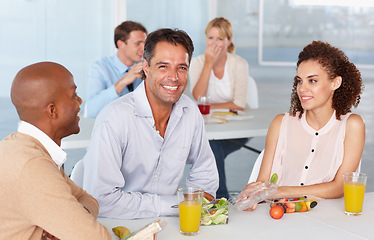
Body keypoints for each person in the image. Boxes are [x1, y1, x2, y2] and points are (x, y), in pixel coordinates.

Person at [82, 28, 219, 219]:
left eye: (182, 67)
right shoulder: (114, 118)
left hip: (172, 225)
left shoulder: (190, 112)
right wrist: (179, 203)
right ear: (145, 68)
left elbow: (205, 171)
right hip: (118, 226)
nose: (174, 77)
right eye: (163, 66)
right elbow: (102, 200)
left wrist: (198, 200)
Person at [238, 41, 365, 209]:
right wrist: (252, 196)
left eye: (312, 81)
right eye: (299, 81)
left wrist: (279, 192)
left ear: (335, 83)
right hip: (279, 218)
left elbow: (339, 187)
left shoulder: (352, 125)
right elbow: (262, 182)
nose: (302, 89)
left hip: (328, 224)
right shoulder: (280, 123)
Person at [0, 62, 111, 239]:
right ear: (52, 110)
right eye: (73, 95)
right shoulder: (33, 166)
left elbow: (87, 198)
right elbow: (97, 237)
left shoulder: (20, 146)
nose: (80, 101)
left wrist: (71, 220)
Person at [189, 17, 251, 199]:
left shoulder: (239, 64)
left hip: (236, 127)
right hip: (208, 127)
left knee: (211, 150)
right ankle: (221, 198)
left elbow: (239, 103)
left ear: (229, 41)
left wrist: (209, 106)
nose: (214, 43)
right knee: (213, 147)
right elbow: (198, 97)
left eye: (220, 39)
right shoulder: (198, 63)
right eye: (211, 38)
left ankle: (218, 197)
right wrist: (208, 63)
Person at [86, 21, 147, 117]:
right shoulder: (100, 68)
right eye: (138, 43)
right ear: (120, 44)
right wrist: (123, 81)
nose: (143, 48)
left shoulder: (147, 67)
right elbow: (92, 111)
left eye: (145, 43)